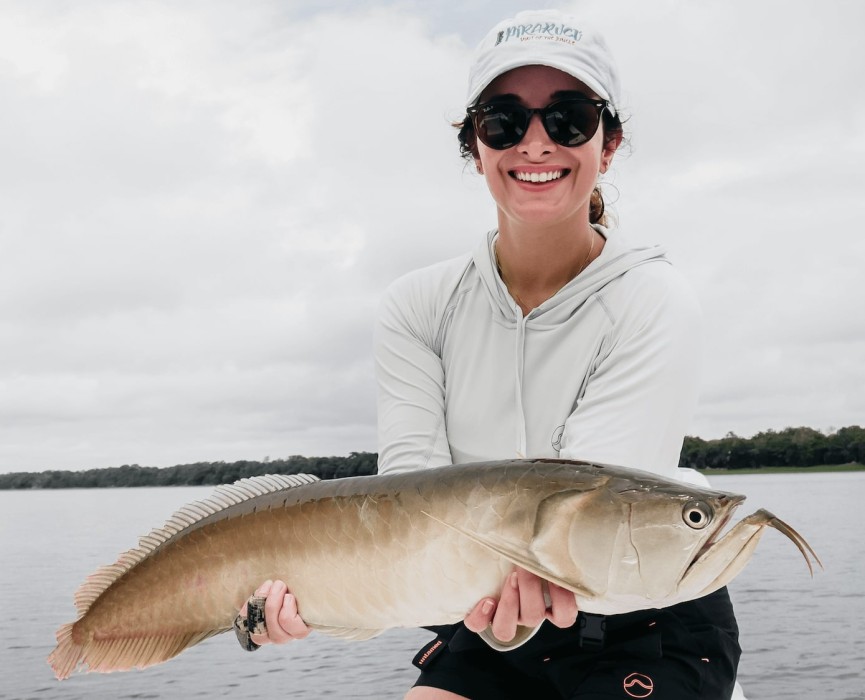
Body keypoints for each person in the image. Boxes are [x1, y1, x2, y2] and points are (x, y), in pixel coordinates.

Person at [237, 9, 741, 699]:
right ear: (474, 145)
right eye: (503, 121)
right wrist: (287, 603)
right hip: (480, 614)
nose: (535, 144)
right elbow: (408, 508)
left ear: (609, 142)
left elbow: (579, 523)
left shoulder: (653, 299)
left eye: (567, 118)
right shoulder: (415, 305)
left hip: (645, 616)